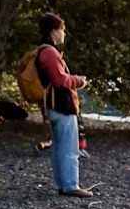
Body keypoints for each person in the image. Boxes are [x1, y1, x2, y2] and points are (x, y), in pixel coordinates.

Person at [34, 12, 92, 198]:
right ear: (53, 32)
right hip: (61, 105)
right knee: (68, 147)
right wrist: (79, 81)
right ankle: (70, 185)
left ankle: (63, 184)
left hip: (54, 106)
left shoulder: (44, 51)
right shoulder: (49, 53)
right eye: (62, 30)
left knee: (59, 147)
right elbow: (60, 80)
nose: (64, 34)